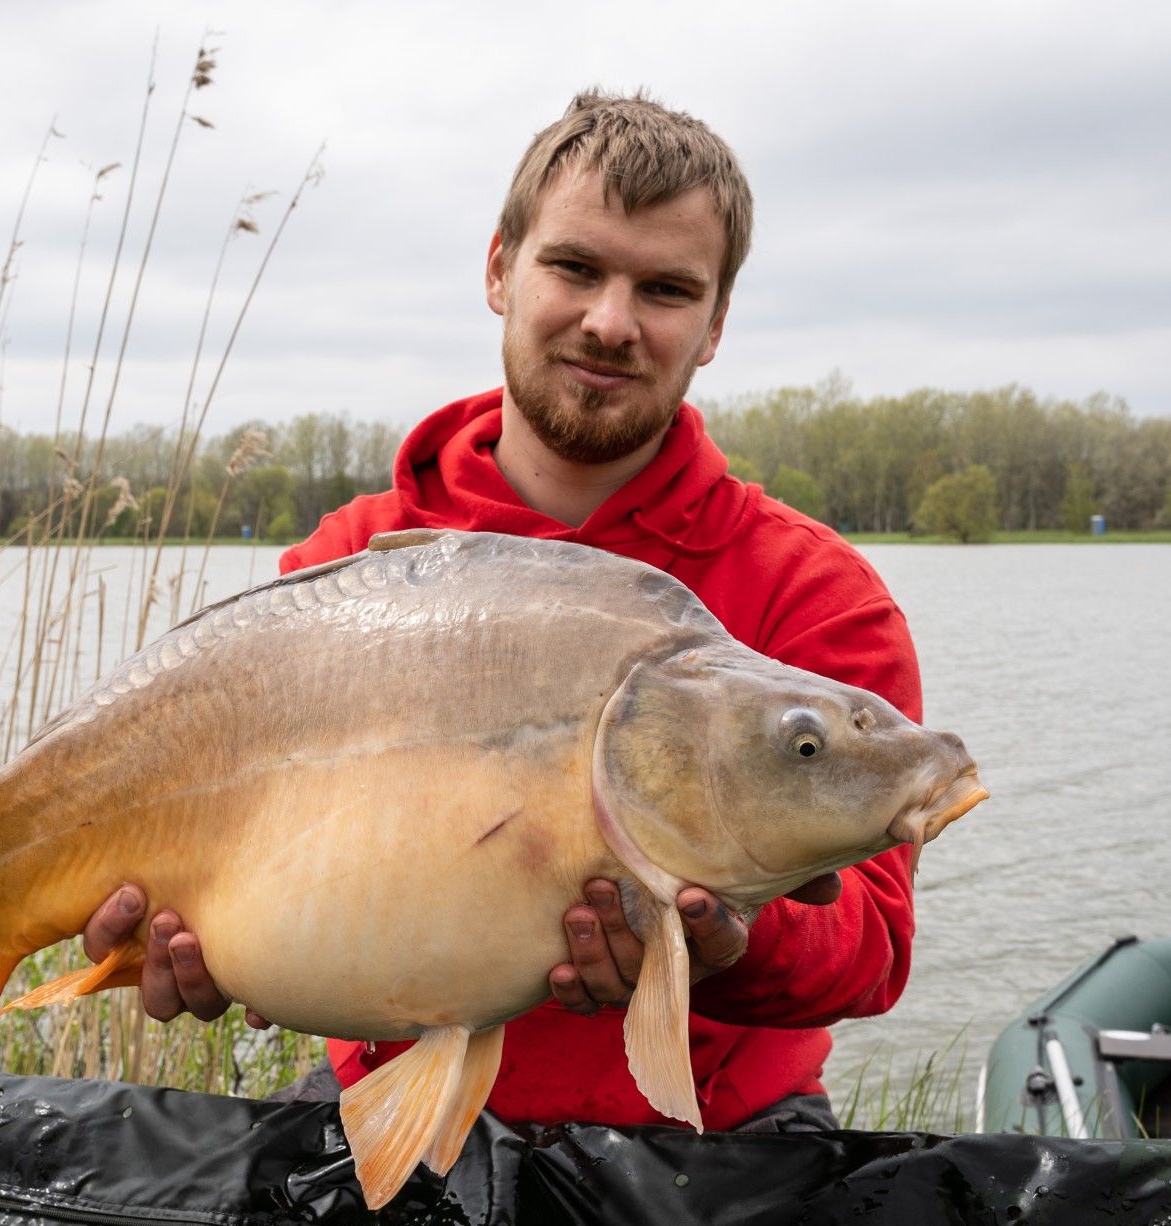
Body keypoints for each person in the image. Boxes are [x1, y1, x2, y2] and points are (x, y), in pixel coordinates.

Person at [76, 91, 921, 1135]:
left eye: (664, 288)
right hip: (385, 1103)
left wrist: (730, 941)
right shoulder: (344, 568)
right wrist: (175, 948)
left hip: (721, 1144)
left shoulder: (816, 594)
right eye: (575, 267)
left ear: (714, 326)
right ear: (498, 270)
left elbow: (874, 946)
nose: (611, 322)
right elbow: (256, 910)